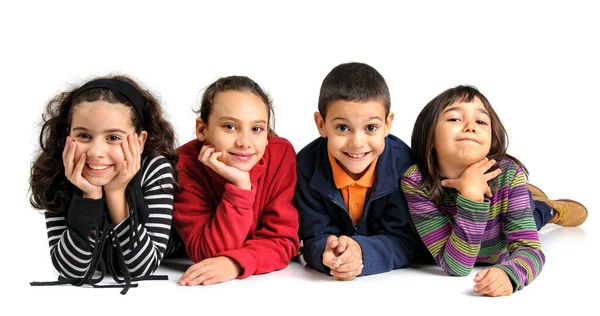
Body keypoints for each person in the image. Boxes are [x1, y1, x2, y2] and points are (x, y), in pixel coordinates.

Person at [401, 85, 588, 297]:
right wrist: (471, 195)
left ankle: (551, 209)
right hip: (473, 231)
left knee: (535, 217)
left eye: (481, 121)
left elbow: (530, 250)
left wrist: (511, 274)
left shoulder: (508, 174)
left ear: (491, 141)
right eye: (455, 119)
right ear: (429, 135)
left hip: (501, 232)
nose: (471, 126)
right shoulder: (415, 181)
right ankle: (529, 196)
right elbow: (457, 266)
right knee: (523, 204)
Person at [29, 75, 178, 294]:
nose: (96, 152)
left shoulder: (154, 168)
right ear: (67, 135)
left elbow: (142, 267)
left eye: (113, 138)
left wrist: (116, 193)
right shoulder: (58, 170)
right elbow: (71, 270)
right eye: (84, 135)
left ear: (140, 140)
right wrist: (89, 196)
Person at [295, 62, 428, 281]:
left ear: (387, 124)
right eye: (342, 128)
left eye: (371, 128)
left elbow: (406, 241)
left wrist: (362, 253)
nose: (357, 143)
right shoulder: (306, 168)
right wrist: (325, 254)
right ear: (321, 124)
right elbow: (312, 237)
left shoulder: (405, 167)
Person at [173, 75, 300, 286]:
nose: (244, 142)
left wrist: (235, 263)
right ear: (202, 129)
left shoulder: (281, 155)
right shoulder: (184, 165)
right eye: (230, 127)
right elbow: (207, 252)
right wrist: (240, 187)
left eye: (257, 129)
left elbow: (284, 241)